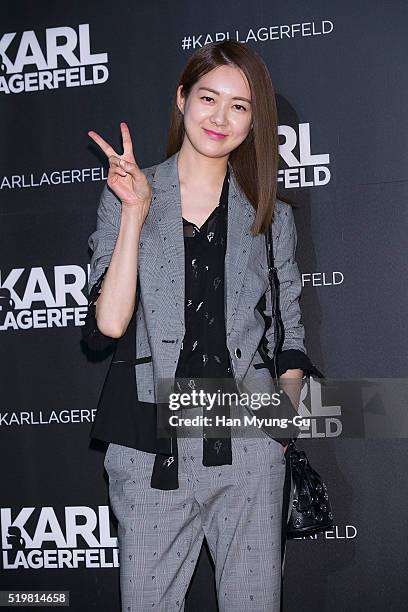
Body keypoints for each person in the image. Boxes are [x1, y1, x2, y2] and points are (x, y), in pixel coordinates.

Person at [85, 41, 319, 612]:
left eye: (239, 106)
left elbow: (290, 336)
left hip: (247, 446)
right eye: (209, 98)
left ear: (254, 119)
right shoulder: (128, 193)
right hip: (149, 449)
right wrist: (135, 214)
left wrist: (280, 428)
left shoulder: (270, 213)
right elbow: (109, 323)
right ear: (182, 99)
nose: (220, 117)